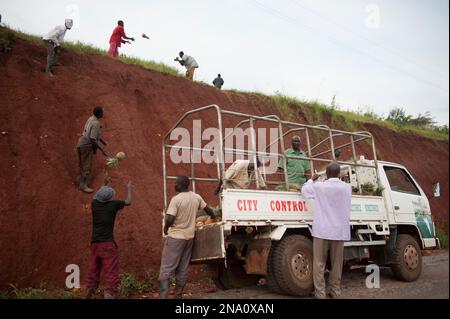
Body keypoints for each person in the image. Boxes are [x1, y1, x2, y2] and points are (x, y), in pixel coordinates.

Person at [159, 176, 216, 299]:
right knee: (183, 267)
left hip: (176, 237)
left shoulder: (176, 199)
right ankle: (178, 295)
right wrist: (214, 215)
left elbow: (170, 218)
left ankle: (163, 296)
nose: (174, 185)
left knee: (166, 268)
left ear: (180, 185)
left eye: (175, 183)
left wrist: (165, 227)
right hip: (189, 237)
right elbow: (209, 211)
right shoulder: (196, 197)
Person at [301, 162, 351, 299]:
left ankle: (320, 293)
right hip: (339, 232)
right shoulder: (347, 188)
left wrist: (313, 178)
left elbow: (304, 190)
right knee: (337, 265)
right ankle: (335, 291)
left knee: (319, 263)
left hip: (322, 231)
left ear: (326, 174)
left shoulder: (319, 186)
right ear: (339, 173)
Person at [85, 176, 132, 299]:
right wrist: (129, 189)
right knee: (111, 272)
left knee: (93, 270)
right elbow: (128, 201)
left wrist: (104, 183)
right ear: (110, 198)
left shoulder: (94, 204)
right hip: (108, 245)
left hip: (95, 244)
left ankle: (88, 292)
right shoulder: (113, 205)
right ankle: (110, 294)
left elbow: (98, 195)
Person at [76, 107, 110, 193]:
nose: (103, 113)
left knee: (82, 163)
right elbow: (92, 138)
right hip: (86, 146)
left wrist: (102, 141)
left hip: (80, 142)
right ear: (99, 114)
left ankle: (79, 180)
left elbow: (91, 132)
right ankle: (83, 185)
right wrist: (102, 150)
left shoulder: (91, 118)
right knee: (87, 166)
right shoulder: (96, 123)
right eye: (102, 112)